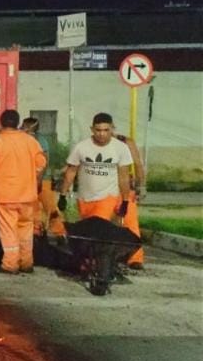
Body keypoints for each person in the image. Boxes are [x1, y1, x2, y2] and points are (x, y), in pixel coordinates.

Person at [0, 110, 47, 274]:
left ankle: (10, 265)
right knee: (26, 229)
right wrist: (30, 175)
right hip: (28, 195)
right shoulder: (30, 141)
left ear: (1, 123)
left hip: (5, 196)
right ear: (17, 123)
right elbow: (41, 162)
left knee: (8, 230)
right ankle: (27, 263)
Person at [58, 112, 136, 258]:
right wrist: (62, 194)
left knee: (99, 230)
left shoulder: (120, 148)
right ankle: (91, 261)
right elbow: (71, 172)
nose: (102, 134)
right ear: (92, 129)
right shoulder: (81, 147)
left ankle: (101, 265)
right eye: (98, 130)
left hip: (107, 197)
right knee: (87, 232)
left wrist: (125, 200)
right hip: (85, 198)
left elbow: (123, 176)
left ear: (112, 129)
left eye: (106, 130)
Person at [22, 117, 65, 237]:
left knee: (50, 207)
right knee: (33, 207)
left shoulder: (41, 141)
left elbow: (44, 161)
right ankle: (36, 232)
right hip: (29, 180)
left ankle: (60, 232)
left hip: (43, 179)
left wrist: (39, 180)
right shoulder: (22, 139)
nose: (23, 128)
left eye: (26, 126)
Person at [114, 131, 147, 268]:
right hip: (103, 187)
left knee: (130, 222)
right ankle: (104, 254)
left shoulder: (126, 142)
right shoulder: (95, 143)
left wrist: (141, 185)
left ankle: (135, 257)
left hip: (125, 188)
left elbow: (138, 164)